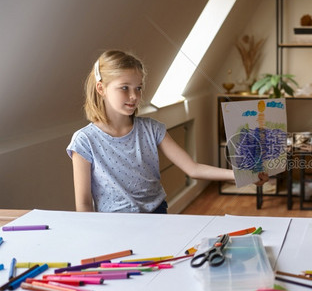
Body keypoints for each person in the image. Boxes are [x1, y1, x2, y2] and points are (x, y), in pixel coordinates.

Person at [67, 50, 267, 213]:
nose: (134, 96)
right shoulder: (84, 140)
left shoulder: (152, 129)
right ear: (101, 88)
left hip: (158, 215)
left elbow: (193, 169)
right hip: (114, 225)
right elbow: (83, 204)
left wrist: (240, 174)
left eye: (138, 88)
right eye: (124, 88)